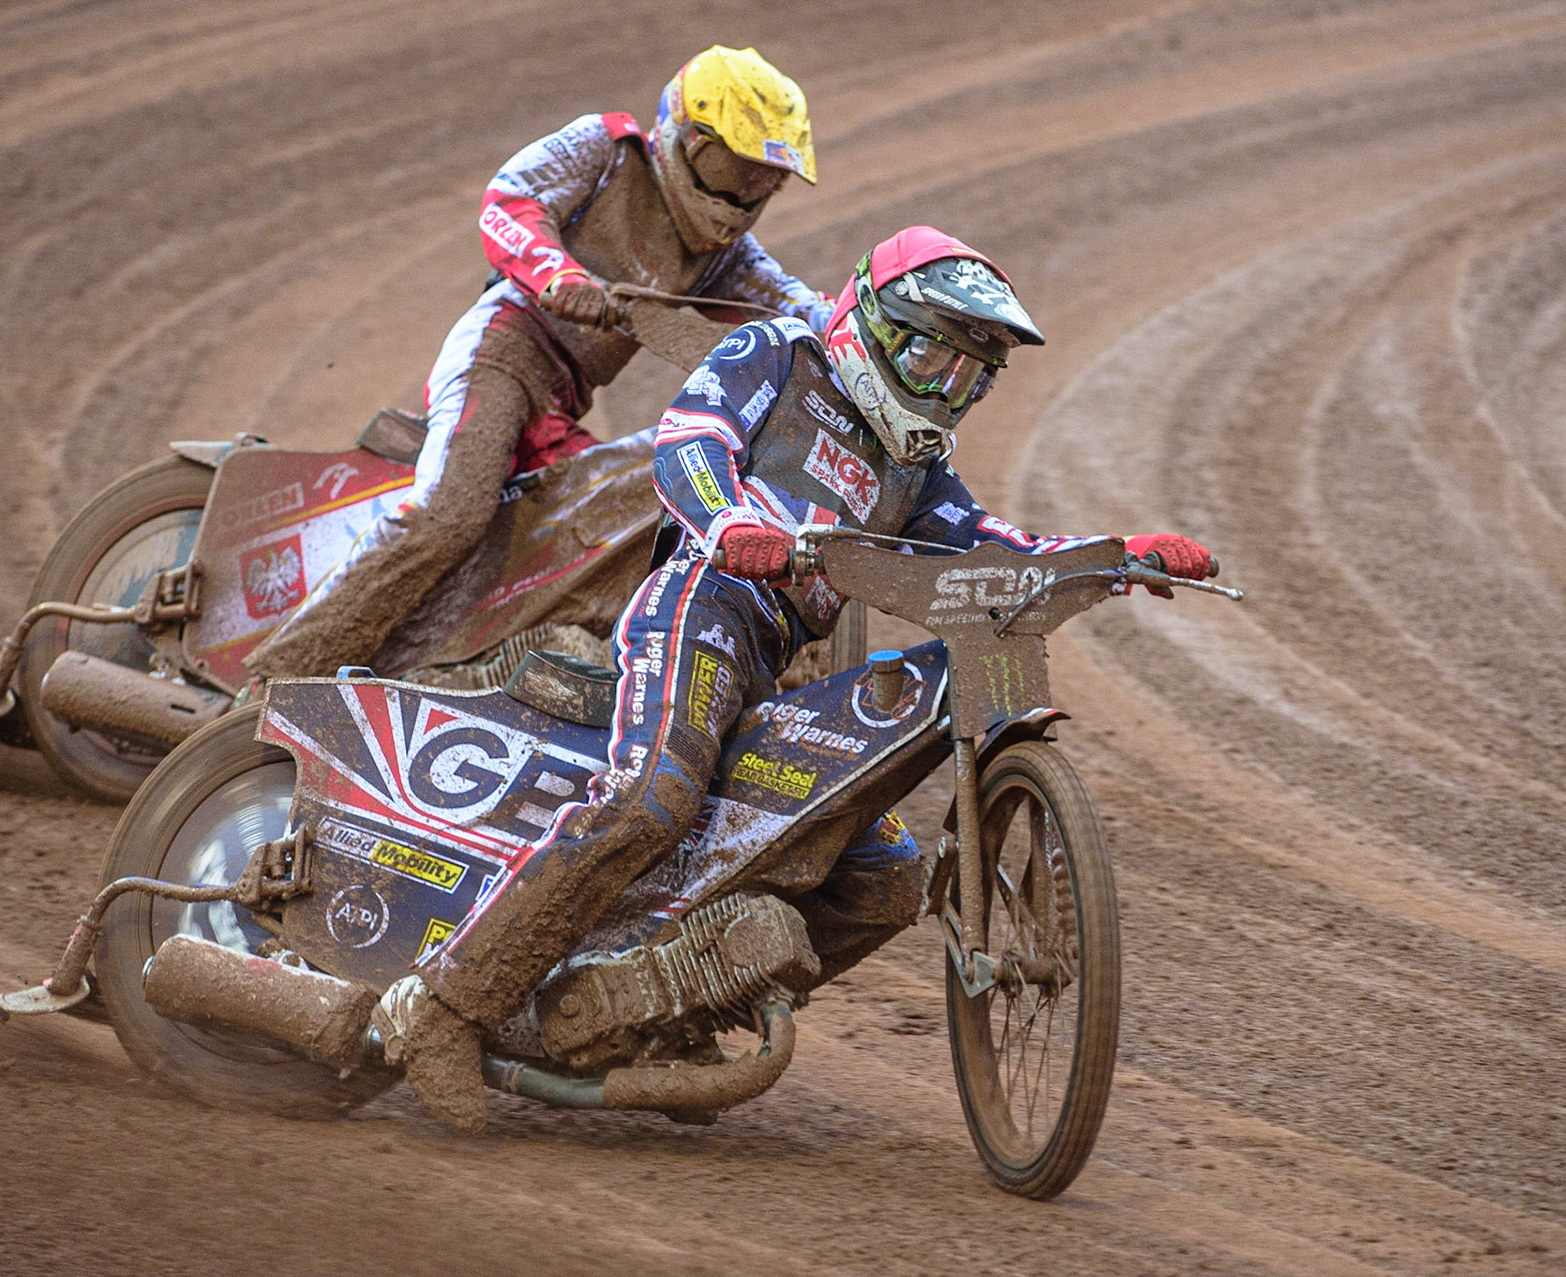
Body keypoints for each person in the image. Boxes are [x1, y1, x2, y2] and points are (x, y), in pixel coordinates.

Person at [374, 226, 1216, 1133]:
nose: (945, 390)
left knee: (885, 874)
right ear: (877, 324)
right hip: (702, 603)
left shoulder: (915, 467)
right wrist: (732, 522)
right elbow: (687, 442)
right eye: (933, 356)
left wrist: (1112, 556)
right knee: (653, 794)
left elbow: (989, 546)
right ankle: (443, 1009)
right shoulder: (779, 350)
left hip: (779, 663)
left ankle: (672, 1004)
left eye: (970, 376)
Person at [243, 46, 833, 681]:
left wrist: (874, 332)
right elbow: (510, 199)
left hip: (559, 409)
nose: (745, 196)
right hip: (501, 352)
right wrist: (558, 274)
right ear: (688, 137)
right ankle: (272, 677)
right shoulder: (607, 151)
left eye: (762, 181)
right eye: (736, 170)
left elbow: (797, 306)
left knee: (591, 542)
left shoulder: (729, 257)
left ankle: (434, 672)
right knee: (452, 511)